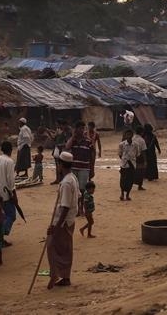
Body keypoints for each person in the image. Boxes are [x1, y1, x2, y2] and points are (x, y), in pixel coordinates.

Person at [47, 151, 80, 289]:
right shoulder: (72, 178)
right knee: (65, 249)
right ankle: (64, 276)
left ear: (61, 165)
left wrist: (57, 226)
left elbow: (65, 207)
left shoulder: (67, 182)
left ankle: (56, 274)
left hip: (64, 221)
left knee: (51, 246)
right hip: (69, 220)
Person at [0, 140, 17, 247]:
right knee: (11, 215)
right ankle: (0, 235)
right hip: (6, 194)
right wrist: (13, 194)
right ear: (10, 150)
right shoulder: (9, 162)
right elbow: (10, 180)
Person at [66, 121, 95, 192]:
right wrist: (73, 136)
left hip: (84, 168)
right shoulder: (72, 140)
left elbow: (92, 156)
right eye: (80, 128)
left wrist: (92, 169)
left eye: (83, 128)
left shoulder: (88, 141)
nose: (82, 130)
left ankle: (82, 203)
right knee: (73, 188)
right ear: (76, 129)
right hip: (73, 167)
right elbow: (67, 147)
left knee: (82, 188)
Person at [118, 130, 138, 200]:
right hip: (124, 165)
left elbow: (137, 154)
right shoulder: (121, 144)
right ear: (125, 135)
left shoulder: (135, 145)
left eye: (130, 134)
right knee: (123, 180)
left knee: (130, 180)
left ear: (132, 135)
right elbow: (120, 155)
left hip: (132, 165)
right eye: (127, 134)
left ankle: (128, 195)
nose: (129, 136)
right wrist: (124, 160)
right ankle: (122, 193)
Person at [132, 125, 148, 190]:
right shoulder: (142, 140)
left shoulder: (132, 138)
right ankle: (140, 186)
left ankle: (132, 182)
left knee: (133, 171)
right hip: (140, 157)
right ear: (142, 132)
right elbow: (143, 151)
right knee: (141, 172)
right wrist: (145, 160)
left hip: (132, 156)